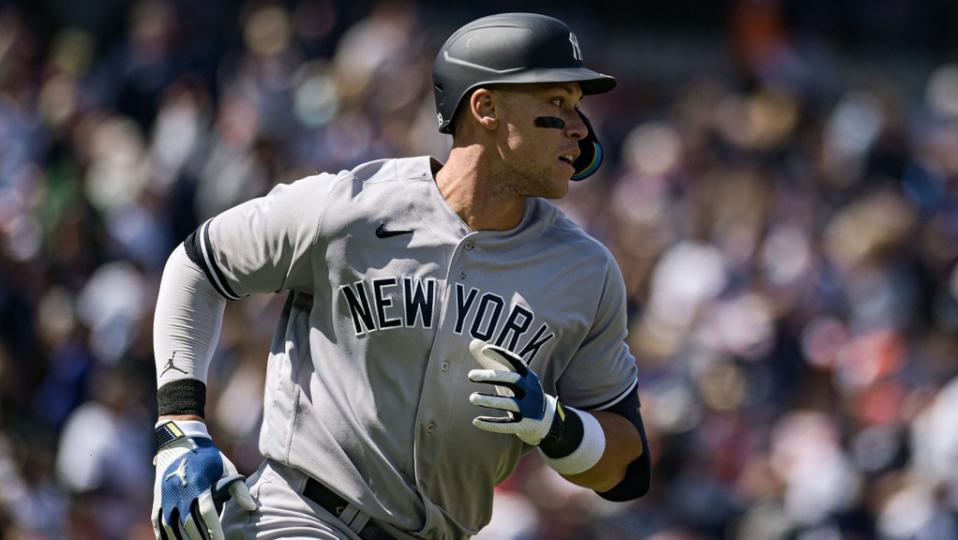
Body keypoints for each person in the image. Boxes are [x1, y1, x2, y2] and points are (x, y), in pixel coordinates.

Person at [151, 12, 651, 540]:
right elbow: (198, 265)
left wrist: (558, 428)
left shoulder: (587, 271)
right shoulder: (351, 207)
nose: (580, 128)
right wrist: (180, 426)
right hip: (301, 514)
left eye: (577, 106)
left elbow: (626, 468)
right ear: (484, 107)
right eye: (557, 103)